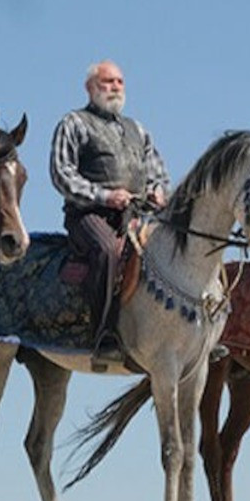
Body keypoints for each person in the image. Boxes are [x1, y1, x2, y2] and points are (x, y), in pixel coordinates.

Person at [50, 60, 170, 367]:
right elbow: (62, 174)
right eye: (107, 82)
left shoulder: (138, 129)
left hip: (137, 214)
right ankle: (104, 334)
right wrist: (105, 195)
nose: (115, 87)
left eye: (119, 82)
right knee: (108, 251)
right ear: (90, 88)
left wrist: (158, 191)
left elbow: (158, 172)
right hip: (89, 215)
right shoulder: (73, 123)